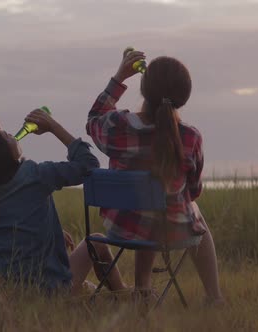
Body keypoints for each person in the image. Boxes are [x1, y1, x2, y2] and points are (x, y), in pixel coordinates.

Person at [86, 50, 224, 304]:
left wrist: (119, 77)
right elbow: (192, 190)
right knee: (191, 209)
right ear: (184, 97)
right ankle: (214, 297)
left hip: (123, 227)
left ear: (144, 88)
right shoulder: (190, 137)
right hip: (171, 229)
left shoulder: (118, 126)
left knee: (146, 210)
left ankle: (143, 289)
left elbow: (93, 120)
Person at [0, 111, 128, 296]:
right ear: (2, 154)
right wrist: (54, 127)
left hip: (0, 288)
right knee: (97, 242)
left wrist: (51, 232)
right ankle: (122, 295)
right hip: (48, 288)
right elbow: (88, 166)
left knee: (84, 285)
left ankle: (94, 291)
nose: (10, 134)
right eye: (6, 136)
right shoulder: (33, 174)